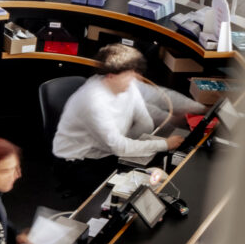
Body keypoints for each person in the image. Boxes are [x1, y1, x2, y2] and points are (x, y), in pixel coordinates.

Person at [53, 44, 186, 191]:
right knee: (126, 191)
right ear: (111, 76)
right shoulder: (93, 102)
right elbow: (119, 147)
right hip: (79, 163)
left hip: (105, 153)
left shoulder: (123, 85)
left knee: (148, 173)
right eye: (130, 76)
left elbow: (145, 121)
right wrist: (165, 145)